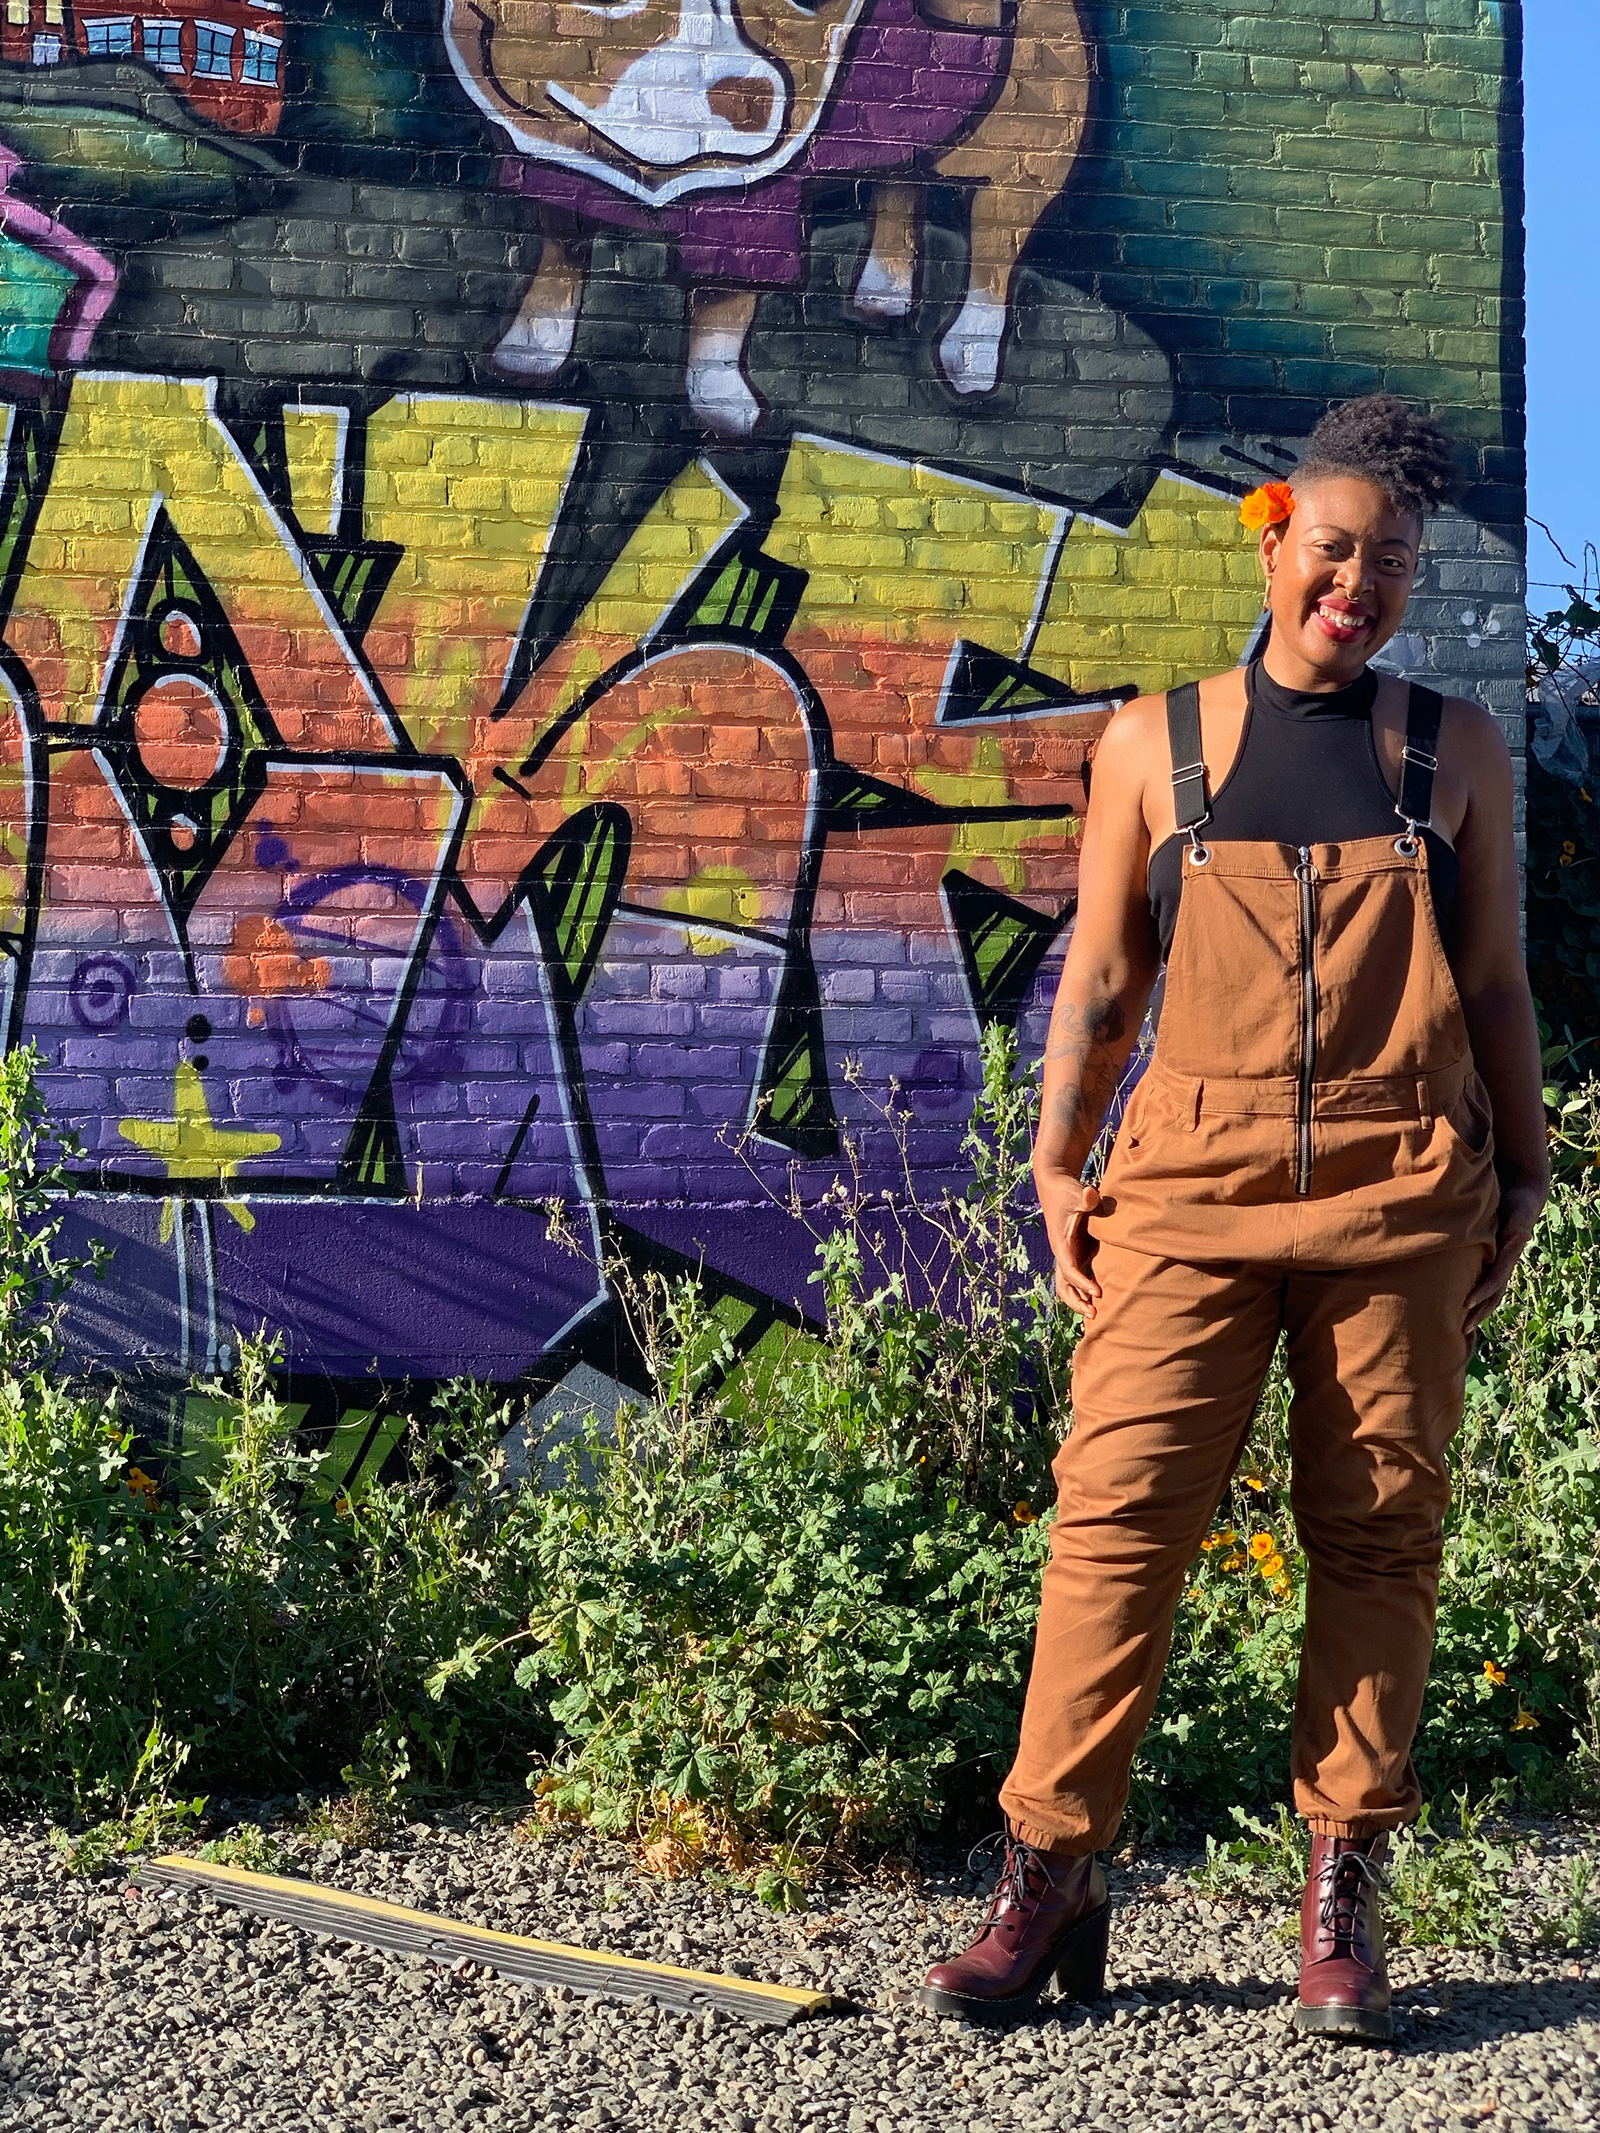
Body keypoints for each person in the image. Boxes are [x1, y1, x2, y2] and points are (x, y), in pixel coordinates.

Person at [922, 395, 1551, 2040]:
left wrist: (1533, 1168)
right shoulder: (1154, 745)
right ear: (1274, 541)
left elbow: (1491, 980)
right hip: (1184, 1194)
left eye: (1391, 560)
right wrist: (1059, 1165)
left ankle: (1342, 1885)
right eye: (1334, 549)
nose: (1360, 581)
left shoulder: (1455, 750)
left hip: (1403, 1193)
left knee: (1377, 1536)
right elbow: (1105, 980)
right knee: (1115, 1524)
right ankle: (1050, 1871)